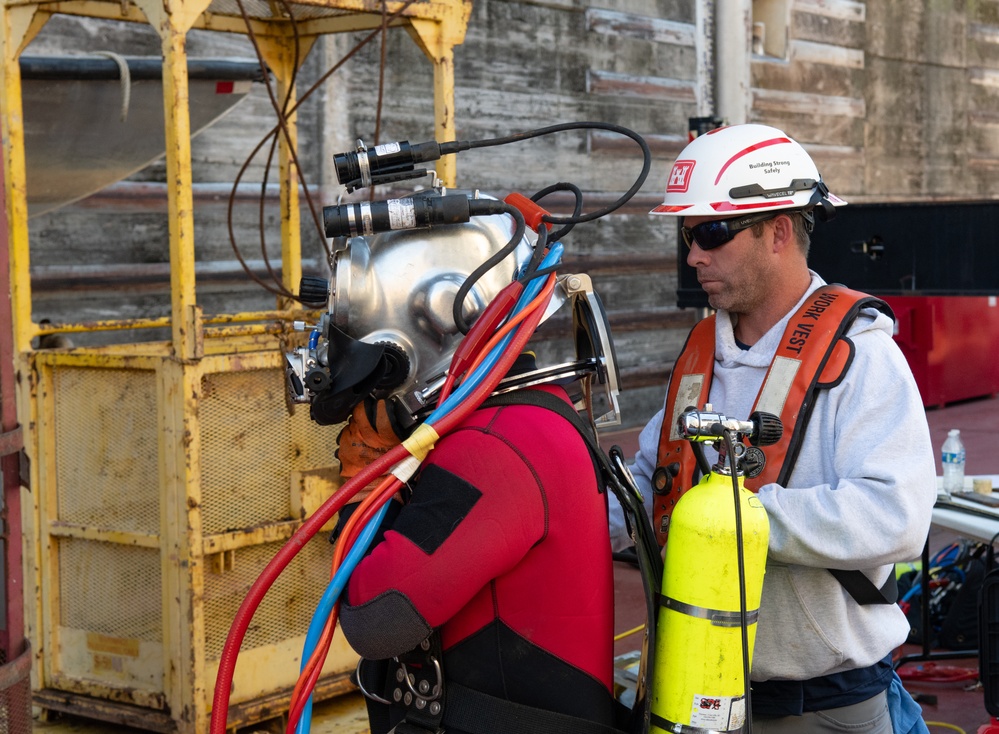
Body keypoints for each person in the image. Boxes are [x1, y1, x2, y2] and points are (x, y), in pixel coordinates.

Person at [609, 123, 936, 733]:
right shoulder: (701, 357)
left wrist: (743, 522)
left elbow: (897, 515)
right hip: (697, 695)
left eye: (711, 233)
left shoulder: (860, 356)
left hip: (827, 707)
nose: (693, 256)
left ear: (778, 231)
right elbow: (643, 492)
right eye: (687, 235)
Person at [304, 202, 628, 734]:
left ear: (426, 328)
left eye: (376, 362)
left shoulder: (495, 448)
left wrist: (367, 474)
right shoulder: (512, 415)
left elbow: (374, 618)